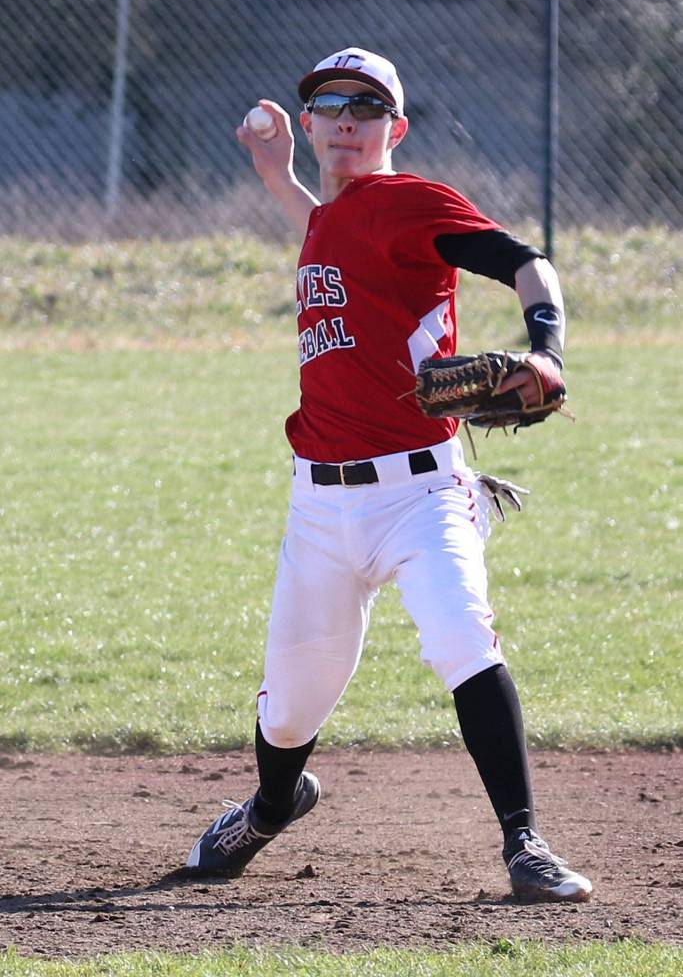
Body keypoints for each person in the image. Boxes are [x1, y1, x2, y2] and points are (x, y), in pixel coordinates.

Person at [177, 48, 592, 903]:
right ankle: (270, 804)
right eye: (327, 104)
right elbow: (332, 237)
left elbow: (525, 261)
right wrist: (275, 175)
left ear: (392, 128)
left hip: (421, 494)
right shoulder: (330, 216)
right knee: (288, 712)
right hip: (319, 508)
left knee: (461, 641)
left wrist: (546, 349)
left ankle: (525, 844)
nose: (342, 119)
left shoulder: (412, 201)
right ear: (312, 123)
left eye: (364, 108)